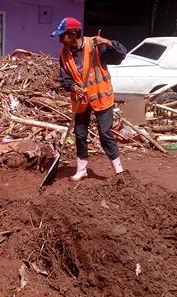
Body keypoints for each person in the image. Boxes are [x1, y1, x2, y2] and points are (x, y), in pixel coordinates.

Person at [53, 17, 127, 181]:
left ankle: (119, 171)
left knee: (105, 133)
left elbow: (122, 54)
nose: (59, 40)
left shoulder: (95, 46)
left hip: (101, 96)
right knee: (80, 134)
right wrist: (74, 87)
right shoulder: (63, 54)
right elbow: (64, 78)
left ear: (73, 34)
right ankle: (81, 170)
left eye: (62, 36)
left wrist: (108, 42)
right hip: (80, 100)